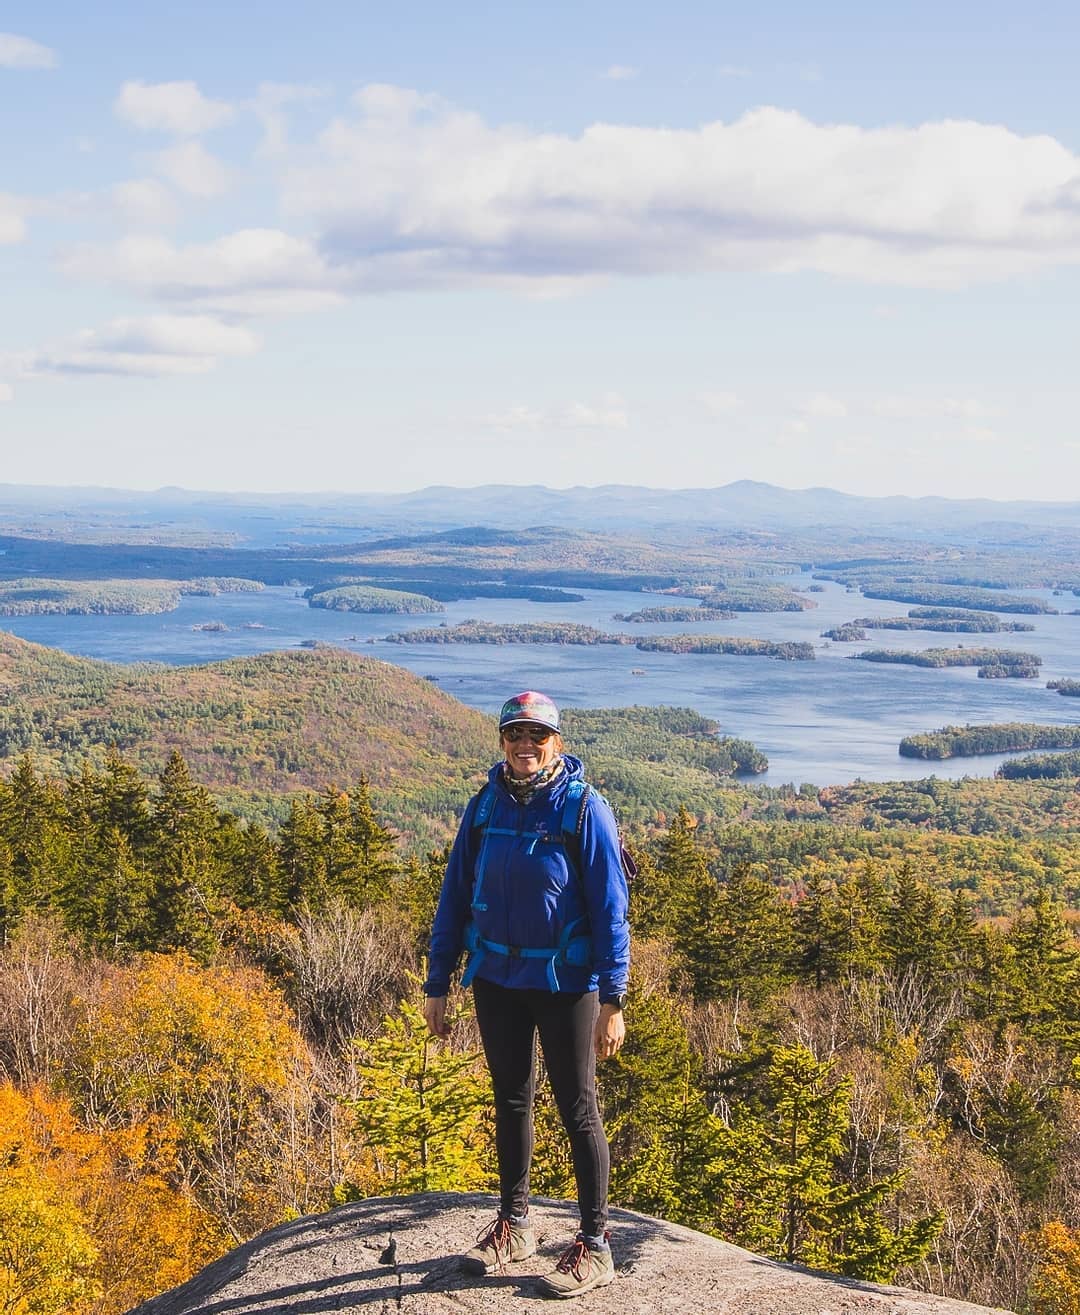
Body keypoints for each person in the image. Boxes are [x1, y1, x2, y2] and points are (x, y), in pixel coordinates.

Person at [423, 690, 630, 1299]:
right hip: (496, 980)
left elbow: (611, 910)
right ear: (503, 742)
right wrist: (439, 983)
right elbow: (453, 897)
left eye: (536, 736)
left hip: (566, 984)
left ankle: (595, 1242)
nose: (524, 746)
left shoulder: (584, 810)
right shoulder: (484, 807)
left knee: (578, 1107)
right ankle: (514, 1223)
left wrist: (613, 999)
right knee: (510, 1099)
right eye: (515, 735)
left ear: (555, 744)